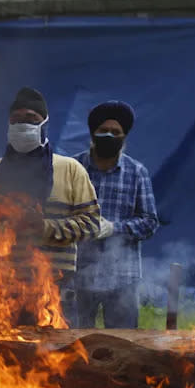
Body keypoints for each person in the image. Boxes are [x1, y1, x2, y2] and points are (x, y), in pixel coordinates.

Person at [0, 87, 100, 326]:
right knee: (0, 360)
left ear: (44, 124)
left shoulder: (70, 170)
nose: (22, 125)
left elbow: (91, 225)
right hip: (3, 291)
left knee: (61, 358)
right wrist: (8, 229)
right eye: (16, 120)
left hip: (56, 292)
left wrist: (44, 227)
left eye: (31, 119)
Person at [73, 101, 158, 329]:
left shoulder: (136, 172)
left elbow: (150, 222)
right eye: (103, 131)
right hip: (78, 275)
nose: (109, 135)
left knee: (123, 345)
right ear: (93, 133)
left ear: (124, 136)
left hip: (123, 277)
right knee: (72, 346)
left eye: (116, 132)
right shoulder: (73, 168)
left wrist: (114, 228)